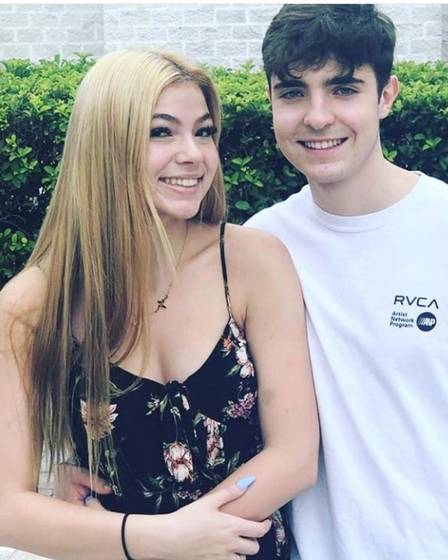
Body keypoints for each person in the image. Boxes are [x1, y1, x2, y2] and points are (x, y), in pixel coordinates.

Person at [0, 49, 319, 560]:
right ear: (107, 145)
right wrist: (161, 541)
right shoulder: (33, 304)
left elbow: (295, 456)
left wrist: (194, 534)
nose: (193, 154)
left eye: (204, 131)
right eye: (161, 132)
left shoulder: (251, 261)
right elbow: (7, 507)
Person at [245, 4, 448, 560]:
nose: (317, 116)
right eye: (293, 92)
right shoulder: (259, 246)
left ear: (386, 95)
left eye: (343, 89)